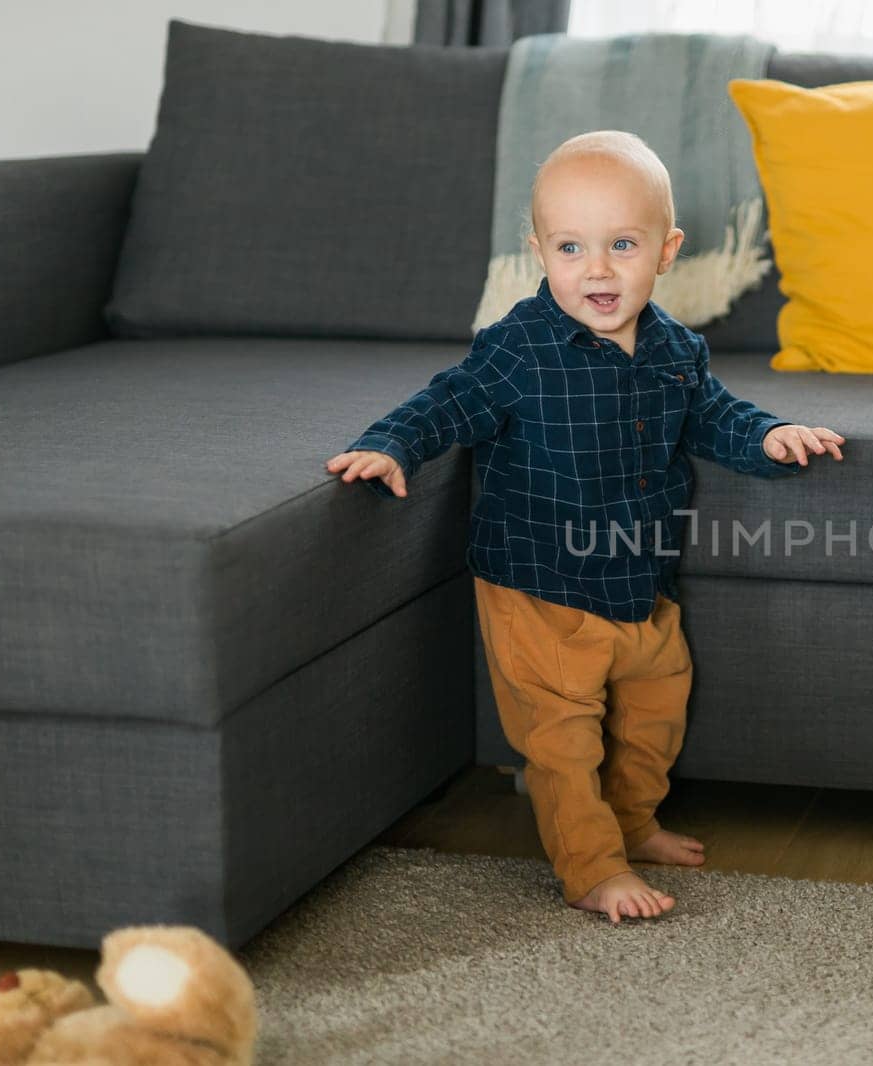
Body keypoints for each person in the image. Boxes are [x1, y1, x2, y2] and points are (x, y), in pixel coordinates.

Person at [324, 130, 844, 923]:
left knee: (655, 716)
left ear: (666, 251)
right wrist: (388, 444)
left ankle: (633, 825)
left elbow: (715, 416)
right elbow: (445, 401)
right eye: (571, 247)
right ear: (538, 250)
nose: (597, 269)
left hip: (637, 580)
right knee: (563, 742)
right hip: (538, 584)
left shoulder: (676, 349)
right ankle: (592, 867)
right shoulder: (518, 351)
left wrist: (771, 437)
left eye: (622, 244)